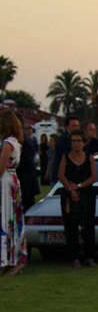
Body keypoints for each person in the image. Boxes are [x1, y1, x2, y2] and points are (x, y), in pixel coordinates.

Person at [58, 130, 98, 268]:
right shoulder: (66, 157)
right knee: (71, 226)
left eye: (79, 141)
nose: (76, 144)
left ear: (84, 143)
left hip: (87, 194)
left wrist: (79, 186)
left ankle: (89, 256)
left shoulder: (89, 158)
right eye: (73, 141)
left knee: (88, 225)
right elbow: (61, 175)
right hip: (69, 195)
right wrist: (71, 189)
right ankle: (74, 257)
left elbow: (94, 177)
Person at [0, 110, 27, 275]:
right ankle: (12, 259)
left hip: (5, 182)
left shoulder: (8, 143)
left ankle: (10, 259)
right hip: (12, 180)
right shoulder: (15, 142)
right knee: (11, 219)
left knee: (6, 218)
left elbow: (1, 166)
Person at [48, 115, 79, 185]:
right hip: (61, 177)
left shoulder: (73, 138)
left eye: (77, 126)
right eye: (73, 126)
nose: (76, 128)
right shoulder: (64, 139)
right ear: (66, 127)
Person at [16, 123, 39, 213]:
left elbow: (23, 163)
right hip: (27, 180)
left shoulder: (21, 141)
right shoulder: (25, 139)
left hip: (25, 181)